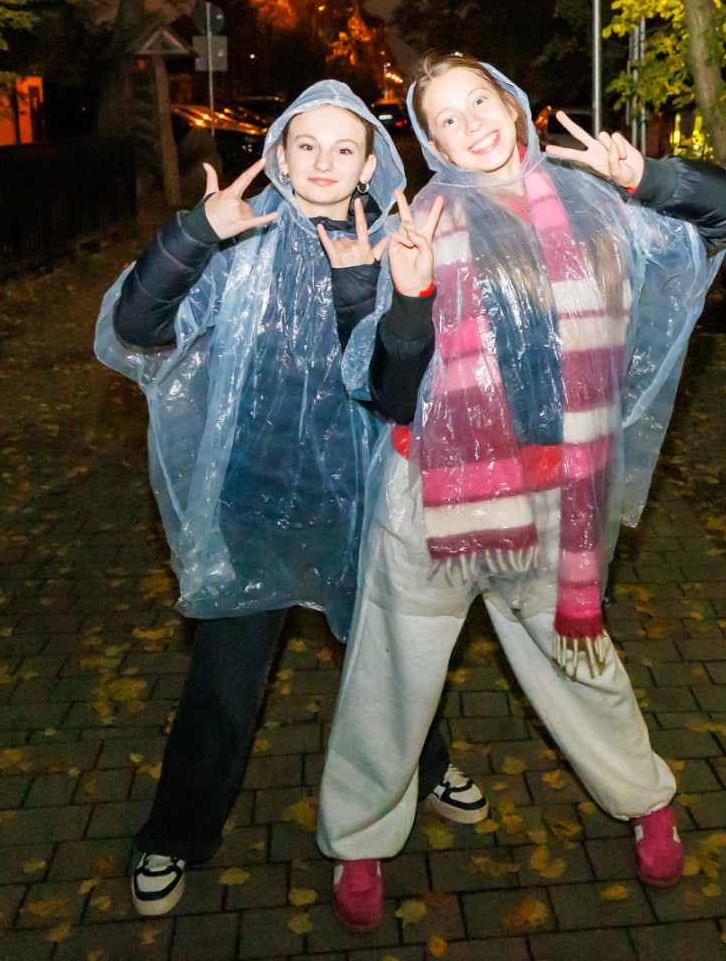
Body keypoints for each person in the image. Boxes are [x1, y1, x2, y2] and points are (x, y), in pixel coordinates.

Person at [316, 55, 726, 931]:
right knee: (390, 674)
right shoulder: (421, 221)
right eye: (446, 118)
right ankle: (359, 837)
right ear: (432, 144)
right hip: (432, 500)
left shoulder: (596, 205)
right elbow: (389, 391)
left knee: (581, 666)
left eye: (479, 100)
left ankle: (645, 800)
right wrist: (407, 301)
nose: (471, 123)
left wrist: (649, 177)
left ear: (512, 105)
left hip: (556, 498)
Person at [95, 82, 486, 919]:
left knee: (390, 657)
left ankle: (424, 765)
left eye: (344, 148)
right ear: (278, 152)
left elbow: (397, 393)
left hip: (363, 502)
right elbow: (137, 328)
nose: (323, 163)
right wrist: (195, 235)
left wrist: (376, 291)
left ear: (370, 164)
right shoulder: (239, 240)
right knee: (225, 679)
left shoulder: (399, 245)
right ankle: (175, 832)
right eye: (305, 145)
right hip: (254, 496)